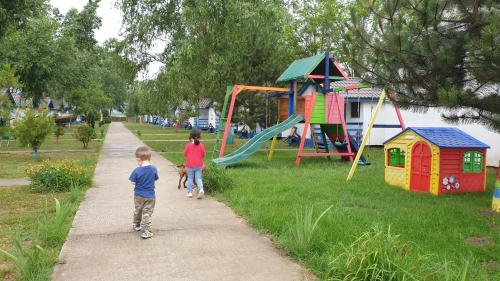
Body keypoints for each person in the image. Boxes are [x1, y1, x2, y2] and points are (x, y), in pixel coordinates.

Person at [129, 146, 159, 239]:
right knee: (147, 213)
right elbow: (156, 178)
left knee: (138, 209)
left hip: (138, 195)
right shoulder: (154, 169)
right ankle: (146, 230)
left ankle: (136, 224)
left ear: (139, 159)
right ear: (149, 158)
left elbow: (132, 182)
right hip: (150, 196)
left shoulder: (137, 170)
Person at [183, 129, 206, 199]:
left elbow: (185, 154)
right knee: (198, 178)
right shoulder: (201, 145)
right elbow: (203, 155)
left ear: (191, 136)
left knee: (190, 178)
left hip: (190, 165)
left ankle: (190, 192)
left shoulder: (188, 145)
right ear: (199, 136)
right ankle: (201, 189)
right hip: (199, 165)